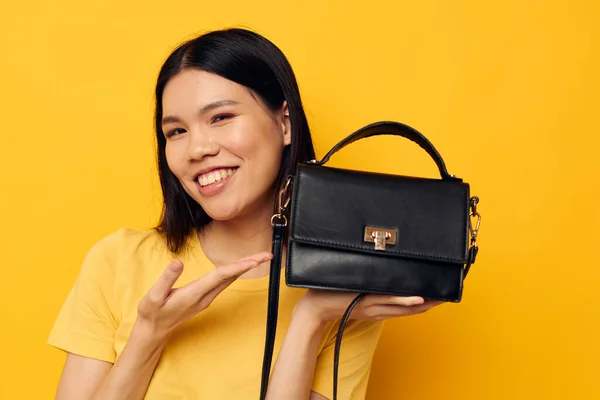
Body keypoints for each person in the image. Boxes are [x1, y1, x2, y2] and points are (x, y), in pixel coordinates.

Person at [48, 28, 442, 400]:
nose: (196, 148)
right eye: (176, 132)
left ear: (285, 123)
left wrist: (312, 316)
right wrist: (150, 332)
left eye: (220, 118)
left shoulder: (340, 289)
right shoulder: (117, 260)